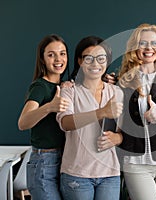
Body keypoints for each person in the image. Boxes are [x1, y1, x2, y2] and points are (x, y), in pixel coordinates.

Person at [117, 23, 156, 200]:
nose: (149, 48)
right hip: (136, 162)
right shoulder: (122, 81)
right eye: (142, 43)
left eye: (154, 43)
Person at [56, 36, 123, 200]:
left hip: (110, 174)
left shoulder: (117, 92)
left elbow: (123, 132)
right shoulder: (69, 91)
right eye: (88, 58)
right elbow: (65, 123)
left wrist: (117, 138)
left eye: (101, 59)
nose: (95, 64)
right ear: (79, 61)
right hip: (77, 173)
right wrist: (101, 112)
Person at [18, 34, 69, 199]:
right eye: (51, 54)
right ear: (42, 59)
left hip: (65, 159)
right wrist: (49, 107)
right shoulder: (40, 86)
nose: (58, 59)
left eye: (62, 53)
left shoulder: (64, 86)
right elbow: (23, 122)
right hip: (44, 161)